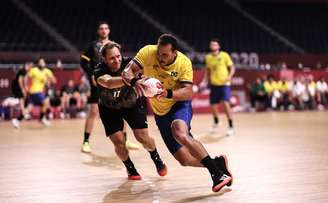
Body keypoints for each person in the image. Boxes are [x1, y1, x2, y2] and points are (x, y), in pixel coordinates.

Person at [122, 34, 233, 192]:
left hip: (178, 103)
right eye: (159, 53)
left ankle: (217, 174)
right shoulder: (147, 52)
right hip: (160, 113)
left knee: (179, 133)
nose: (160, 58)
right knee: (184, 159)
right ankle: (217, 163)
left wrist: (167, 93)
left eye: (165, 55)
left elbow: (188, 92)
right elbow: (126, 72)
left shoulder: (184, 62)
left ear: (175, 52)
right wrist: (135, 81)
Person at [94, 42, 167, 179]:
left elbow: (144, 75)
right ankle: (129, 167)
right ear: (104, 59)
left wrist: (148, 82)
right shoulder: (99, 70)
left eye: (118, 56)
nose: (117, 60)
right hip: (109, 108)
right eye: (112, 58)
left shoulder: (129, 64)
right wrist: (130, 80)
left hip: (132, 104)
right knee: (119, 142)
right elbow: (108, 83)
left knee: (143, 137)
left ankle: (155, 156)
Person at [80, 21, 139, 153]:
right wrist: (91, 75)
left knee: (122, 109)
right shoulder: (92, 46)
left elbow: (121, 62)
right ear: (98, 31)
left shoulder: (114, 45)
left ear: (109, 31)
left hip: (116, 81)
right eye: (101, 28)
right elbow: (83, 62)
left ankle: (125, 140)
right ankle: (85, 141)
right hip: (100, 81)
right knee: (94, 111)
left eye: (106, 28)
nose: (104, 31)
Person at [204, 39, 236, 136]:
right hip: (214, 85)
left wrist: (230, 76)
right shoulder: (208, 57)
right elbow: (208, 71)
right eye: (211, 44)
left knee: (226, 103)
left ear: (218, 47)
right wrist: (206, 81)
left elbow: (232, 67)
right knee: (213, 105)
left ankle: (231, 126)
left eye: (215, 44)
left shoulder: (224, 55)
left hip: (224, 84)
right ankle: (217, 121)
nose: (213, 46)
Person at [27, 57, 56, 126]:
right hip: (35, 91)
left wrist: (49, 80)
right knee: (46, 102)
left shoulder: (47, 71)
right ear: (38, 63)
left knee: (30, 106)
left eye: (43, 62)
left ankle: (17, 120)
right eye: (40, 62)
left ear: (45, 63)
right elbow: (27, 78)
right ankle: (42, 118)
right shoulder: (34, 70)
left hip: (38, 92)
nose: (42, 63)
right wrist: (26, 87)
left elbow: (54, 81)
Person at [11, 62, 33, 128]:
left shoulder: (26, 72)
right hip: (17, 86)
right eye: (30, 66)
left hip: (20, 86)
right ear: (27, 65)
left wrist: (26, 88)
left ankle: (24, 113)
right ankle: (24, 112)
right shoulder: (22, 70)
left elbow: (25, 81)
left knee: (25, 98)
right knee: (22, 98)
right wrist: (23, 89)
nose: (31, 67)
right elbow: (20, 80)